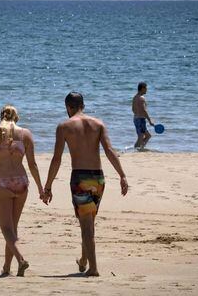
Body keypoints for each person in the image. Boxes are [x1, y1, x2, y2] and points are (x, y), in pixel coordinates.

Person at [43, 92, 128, 277]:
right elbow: (110, 151)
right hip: (98, 178)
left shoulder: (64, 126)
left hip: (80, 178)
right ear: (83, 105)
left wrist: (48, 186)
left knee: (86, 224)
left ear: (68, 107)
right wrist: (122, 175)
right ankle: (83, 260)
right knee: (88, 221)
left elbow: (56, 159)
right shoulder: (98, 124)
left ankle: (94, 268)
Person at [0, 105, 45, 277]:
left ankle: (20, 260)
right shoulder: (26, 134)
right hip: (22, 182)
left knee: (6, 228)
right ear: (17, 117)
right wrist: (41, 189)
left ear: (1, 116)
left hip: (2, 183)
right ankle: (7, 267)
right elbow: (32, 164)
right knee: (13, 228)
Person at [132, 82, 154, 150]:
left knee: (147, 136)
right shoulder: (141, 98)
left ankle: (140, 148)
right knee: (142, 137)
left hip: (136, 119)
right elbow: (144, 110)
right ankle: (137, 149)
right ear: (142, 88)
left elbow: (132, 109)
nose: (146, 90)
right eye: (146, 88)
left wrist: (137, 114)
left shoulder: (135, 97)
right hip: (140, 119)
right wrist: (150, 120)